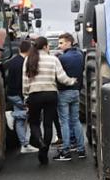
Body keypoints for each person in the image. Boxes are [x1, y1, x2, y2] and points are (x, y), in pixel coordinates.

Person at [23, 35, 74, 165]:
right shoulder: (53, 59)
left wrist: (25, 95)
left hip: (35, 95)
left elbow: (25, 80)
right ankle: (44, 153)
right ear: (46, 46)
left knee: (34, 122)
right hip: (51, 94)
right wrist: (72, 81)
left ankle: (39, 141)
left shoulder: (28, 59)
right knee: (48, 124)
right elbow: (62, 78)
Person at [55, 32, 86, 159]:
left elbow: (58, 76)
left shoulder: (61, 59)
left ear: (69, 42)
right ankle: (81, 148)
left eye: (61, 43)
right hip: (76, 92)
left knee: (65, 122)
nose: (59, 46)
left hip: (64, 92)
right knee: (76, 120)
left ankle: (66, 150)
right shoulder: (80, 56)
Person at [5, 38, 34, 153]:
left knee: (22, 120)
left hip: (11, 93)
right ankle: (12, 115)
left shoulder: (13, 61)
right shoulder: (24, 63)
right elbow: (21, 82)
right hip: (18, 94)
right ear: (30, 50)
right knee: (25, 114)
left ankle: (24, 145)